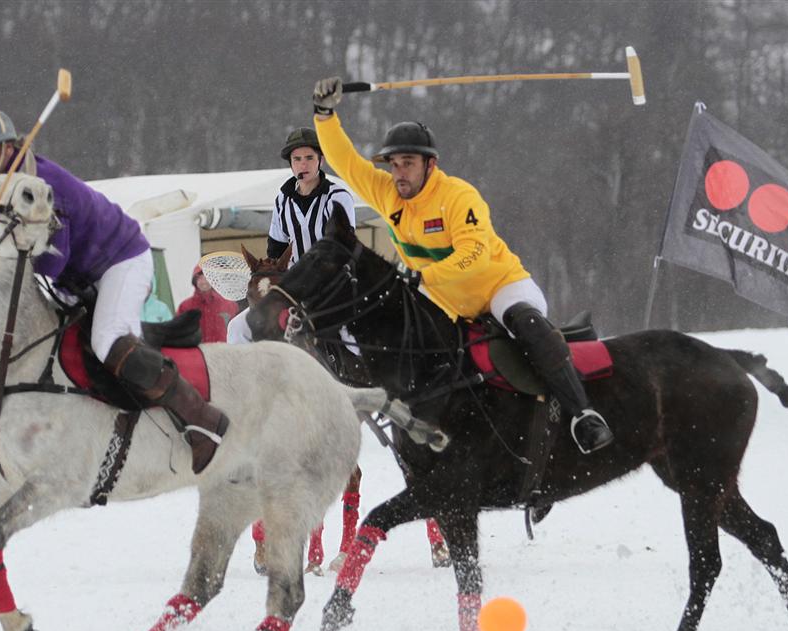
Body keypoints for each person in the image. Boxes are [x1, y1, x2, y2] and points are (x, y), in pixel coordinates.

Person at [310, 79, 614, 454]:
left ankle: (583, 414)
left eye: (408, 164)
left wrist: (423, 276)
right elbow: (345, 162)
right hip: (447, 305)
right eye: (394, 164)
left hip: (499, 287)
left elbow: (474, 254)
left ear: (430, 164)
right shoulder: (388, 193)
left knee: (524, 323)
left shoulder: (458, 196)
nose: (399, 173)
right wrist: (324, 115)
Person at [0, 107, 227, 472]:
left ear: (6, 147)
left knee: (107, 339)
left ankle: (201, 418)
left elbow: (56, 258)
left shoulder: (44, 183)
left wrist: (12, 266)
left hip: (121, 259)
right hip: (81, 275)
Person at [226, 126, 356, 345]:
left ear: (321, 160)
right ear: (291, 164)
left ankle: (364, 367)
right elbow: (276, 249)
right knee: (237, 327)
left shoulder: (337, 196)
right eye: (297, 159)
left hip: (333, 284)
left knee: (349, 336)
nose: (303, 165)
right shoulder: (282, 200)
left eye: (309, 158)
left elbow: (343, 246)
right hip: (294, 287)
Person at [178, 265, 238, 343]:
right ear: (195, 281)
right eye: (200, 278)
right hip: (197, 349)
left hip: (223, 349)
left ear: (213, 280)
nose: (204, 282)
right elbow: (179, 331)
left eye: (207, 278)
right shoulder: (185, 307)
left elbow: (237, 331)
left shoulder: (229, 305)